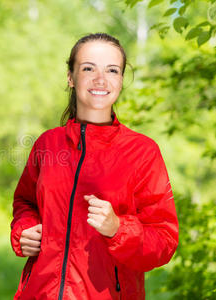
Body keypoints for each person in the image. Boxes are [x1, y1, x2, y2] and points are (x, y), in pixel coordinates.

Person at [10, 33, 179, 299]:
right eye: (88, 68)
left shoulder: (143, 152)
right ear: (71, 77)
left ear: (121, 80)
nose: (101, 79)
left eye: (112, 70)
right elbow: (25, 202)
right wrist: (24, 229)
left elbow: (164, 241)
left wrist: (117, 229)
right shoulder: (47, 145)